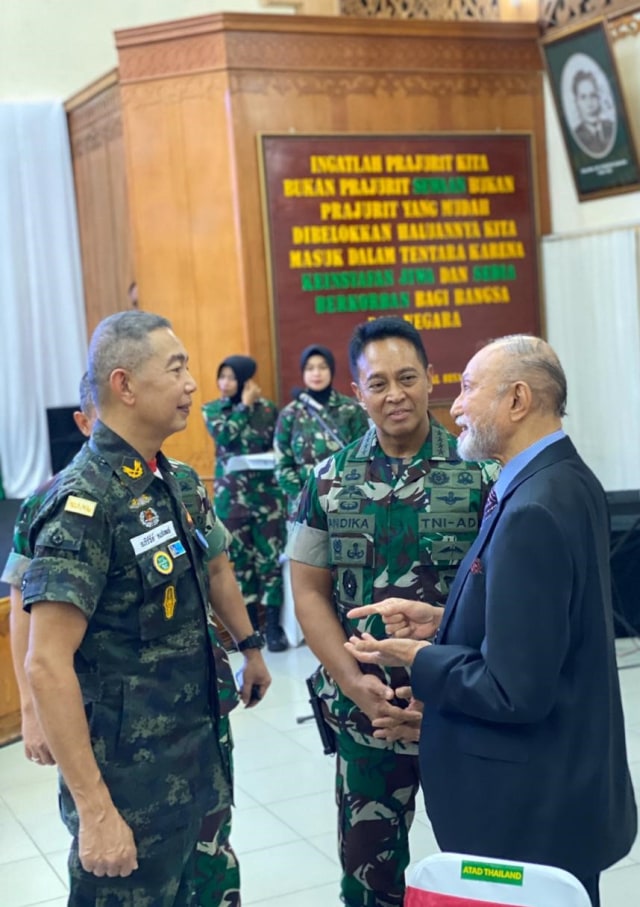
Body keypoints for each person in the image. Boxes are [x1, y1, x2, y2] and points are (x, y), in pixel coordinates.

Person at [345, 334, 637, 907]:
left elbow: (514, 690)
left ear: (517, 399)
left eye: (468, 388)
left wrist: (421, 658)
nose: (455, 406)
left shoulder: (532, 508)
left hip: (526, 809)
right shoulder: (564, 478)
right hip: (561, 788)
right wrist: (442, 620)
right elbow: (548, 626)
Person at [21, 311, 271, 906]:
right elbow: (47, 663)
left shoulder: (176, 481)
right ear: (125, 385)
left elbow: (215, 569)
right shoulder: (83, 504)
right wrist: (95, 812)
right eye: (176, 369)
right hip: (130, 785)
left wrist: (250, 647)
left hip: (200, 760)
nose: (192, 384)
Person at [287, 316, 498, 907]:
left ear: (431, 378)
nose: (395, 394)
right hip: (369, 719)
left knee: (485, 873)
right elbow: (308, 592)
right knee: (367, 880)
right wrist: (353, 684)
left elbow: (507, 596)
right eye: (378, 383)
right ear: (358, 392)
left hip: (462, 713)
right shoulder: (327, 481)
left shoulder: (484, 473)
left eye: (407, 378)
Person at [202, 354, 288, 652]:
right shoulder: (213, 409)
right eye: (221, 376)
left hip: (267, 498)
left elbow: (277, 445)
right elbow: (225, 436)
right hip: (232, 500)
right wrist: (244, 406)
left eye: (230, 377)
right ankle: (250, 628)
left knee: (270, 562)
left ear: (243, 379)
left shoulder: (269, 410)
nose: (224, 383)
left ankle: (273, 626)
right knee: (241, 565)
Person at [274, 343, 369, 522]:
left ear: (331, 370)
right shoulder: (290, 414)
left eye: (322, 367)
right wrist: (304, 497)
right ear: (303, 372)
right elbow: (282, 465)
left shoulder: (350, 409)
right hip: (304, 508)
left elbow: (364, 456)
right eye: (310, 368)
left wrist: (348, 493)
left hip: (346, 505)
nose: (316, 373)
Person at [571, 69, 615, 157]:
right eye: (583, 97)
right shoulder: (576, 136)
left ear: (598, 97)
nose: (589, 102)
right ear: (577, 102)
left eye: (593, 95)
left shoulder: (611, 127)